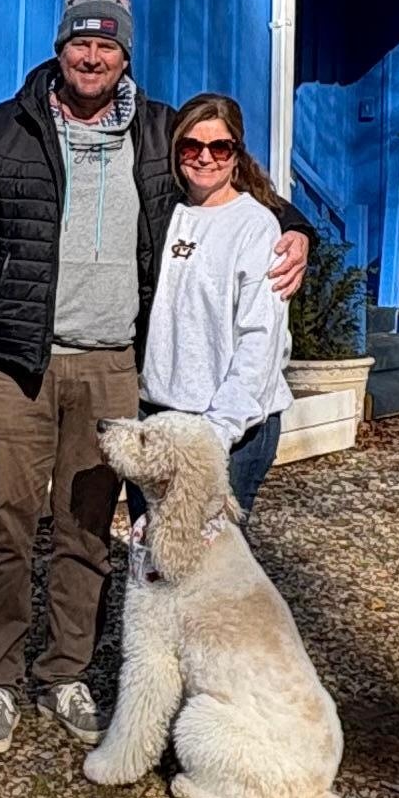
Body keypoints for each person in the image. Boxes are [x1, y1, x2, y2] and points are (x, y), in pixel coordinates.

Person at [0, 0, 305, 755]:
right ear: (60, 49)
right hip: (15, 363)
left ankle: (66, 670)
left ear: (126, 56)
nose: (92, 59)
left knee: (88, 528)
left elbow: (232, 177)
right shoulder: (3, 129)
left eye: (108, 48)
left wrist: (299, 229)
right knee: (6, 522)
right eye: (79, 45)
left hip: (111, 366)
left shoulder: (161, 134)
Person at [142, 92, 294, 521]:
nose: (204, 158)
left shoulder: (258, 226)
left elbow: (260, 340)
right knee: (152, 557)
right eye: (191, 146)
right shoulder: (164, 213)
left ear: (236, 155)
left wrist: (217, 431)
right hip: (158, 416)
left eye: (219, 147)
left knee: (211, 571)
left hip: (230, 430)